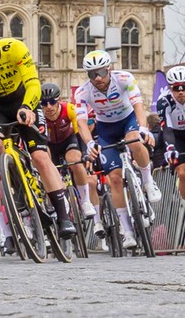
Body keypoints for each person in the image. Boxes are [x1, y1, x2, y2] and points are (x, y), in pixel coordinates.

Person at [0, 13, 77, 240]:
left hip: (23, 99)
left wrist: (29, 107)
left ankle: (63, 216)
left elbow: (32, 83)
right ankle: (15, 182)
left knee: (40, 157)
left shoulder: (15, 49)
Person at [73, 49, 161, 249]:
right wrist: (90, 144)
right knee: (113, 178)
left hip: (127, 120)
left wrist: (144, 128)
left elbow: (138, 107)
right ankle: (127, 231)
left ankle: (147, 181)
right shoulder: (83, 92)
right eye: (92, 74)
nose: (97, 78)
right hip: (106, 129)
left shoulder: (124, 78)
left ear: (109, 69)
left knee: (134, 141)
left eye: (101, 72)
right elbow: (81, 123)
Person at [39, 82, 99, 232]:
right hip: (49, 144)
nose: (49, 107)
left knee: (75, 161)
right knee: (45, 163)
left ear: (59, 100)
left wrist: (85, 153)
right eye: (44, 104)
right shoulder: (38, 116)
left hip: (68, 141)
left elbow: (80, 134)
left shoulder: (69, 109)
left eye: (52, 102)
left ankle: (85, 201)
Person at [157, 65, 185, 199]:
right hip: (175, 135)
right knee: (183, 173)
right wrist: (170, 147)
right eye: (176, 88)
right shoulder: (164, 102)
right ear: (170, 88)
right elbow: (166, 128)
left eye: (184, 87)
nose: (181, 92)